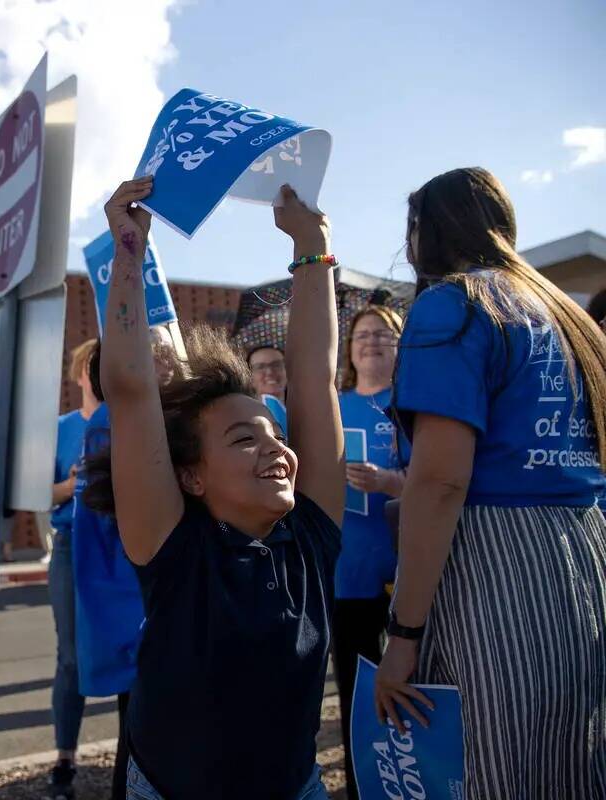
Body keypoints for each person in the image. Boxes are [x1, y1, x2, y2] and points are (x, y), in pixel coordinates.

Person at [85, 177, 344, 799]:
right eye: (242, 440)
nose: (277, 450)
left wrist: (312, 246)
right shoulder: (173, 550)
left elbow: (314, 379)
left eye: (273, 434)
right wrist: (130, 250)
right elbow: (129, 389)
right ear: (191, 476)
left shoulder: (309, 535)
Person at [374, 167, 606, 798]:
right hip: (586, 555)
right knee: (574, 764)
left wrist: (404, 637)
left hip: (492, 562)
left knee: (489, 766)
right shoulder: (566, 315)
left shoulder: (454, 303)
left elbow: (441, 481)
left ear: (428, 229)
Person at [333, 305, 408, 798]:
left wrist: (389, 481)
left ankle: (411, 778)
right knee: (357, 693)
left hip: (409, 577)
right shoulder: (332, 406)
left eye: (384, 334)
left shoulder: (411, 406)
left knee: (409, 688)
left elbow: (439, 482)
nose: (372, 341)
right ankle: (363, 785)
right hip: (347, 575)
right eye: (362, 334)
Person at [69, 341, 145, 800]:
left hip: (128, 599)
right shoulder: (113, 423)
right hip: (132, 602)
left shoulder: (112, 421)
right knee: (141, 741)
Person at [45, 336, 98, 799]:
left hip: (120, 545)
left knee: (132, 649)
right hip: (69, 542)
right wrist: (71, 483)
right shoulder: (60, 427)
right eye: (92, 365)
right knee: (70, 656)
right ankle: (64, 756)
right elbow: (40, 494)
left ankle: (136, 753)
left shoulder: (130, 422)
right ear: (80, 372)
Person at [248, 345, 289, 431]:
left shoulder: (308, 411)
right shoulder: (245, 419)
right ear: (249, 378)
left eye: (277, 365)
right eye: (260, 367)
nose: (270, 372)